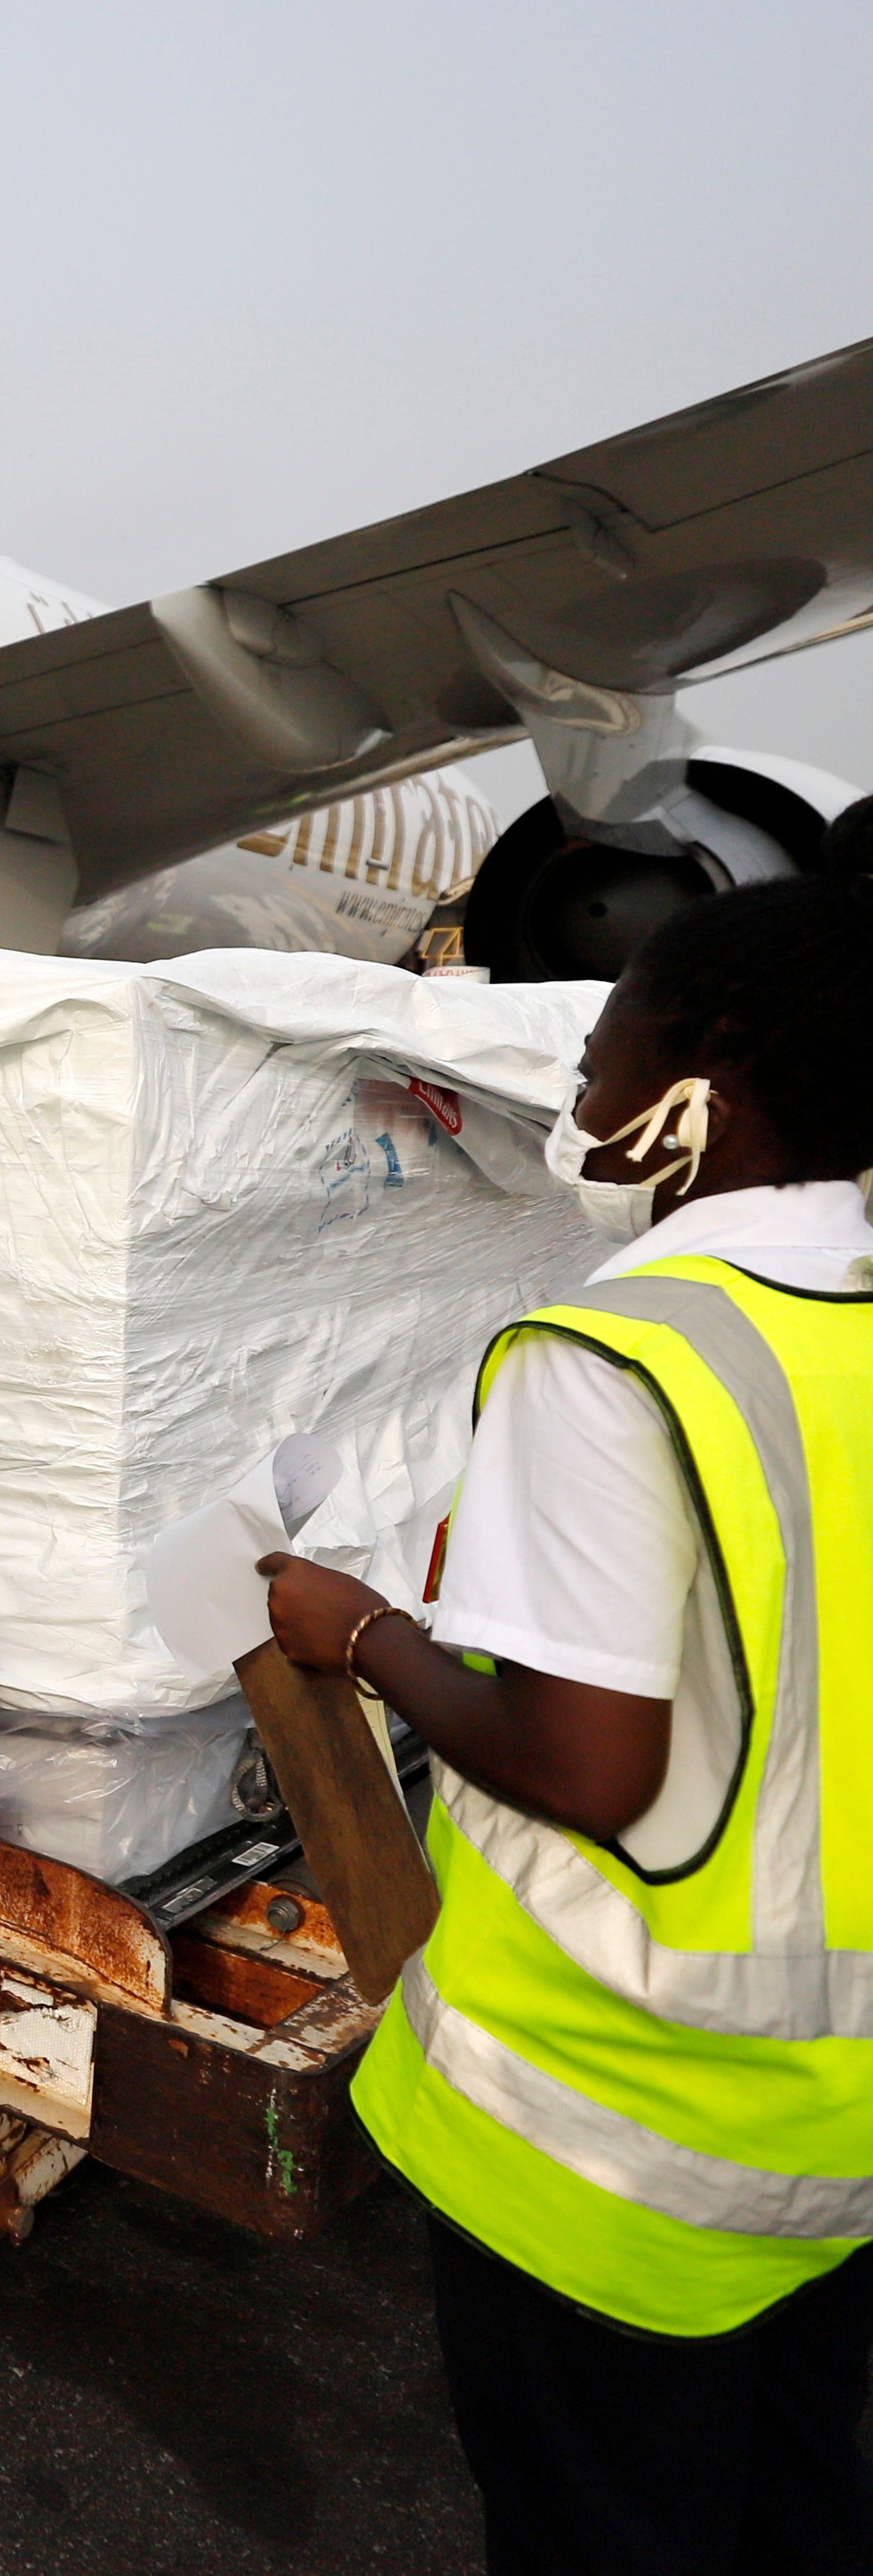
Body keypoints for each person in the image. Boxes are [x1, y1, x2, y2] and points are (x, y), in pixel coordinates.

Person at [258, 811, 873, 2576]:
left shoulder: (619, 1357)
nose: (578, 1107)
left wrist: (359, 1629)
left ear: (711, 1080)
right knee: (793, 2509)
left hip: (605, 2135)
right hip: (824, 2138)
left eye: (602, 1055)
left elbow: (588, 1764)